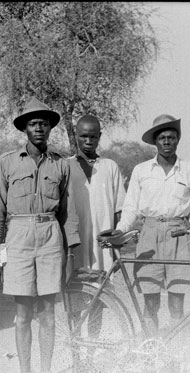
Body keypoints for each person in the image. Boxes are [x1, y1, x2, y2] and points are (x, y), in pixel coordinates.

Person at [0, 96, 80, 373]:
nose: (39, 127)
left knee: (49, 315)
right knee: (24, 315)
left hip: (51, 237)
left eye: (44, 122)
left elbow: (67, 213)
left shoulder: (61, 164)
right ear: (24, 128)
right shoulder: (7, 163)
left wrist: (70, 254)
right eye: (33, 122)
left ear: (51, 128)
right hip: (19, 237)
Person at [114, 114, 190, 373]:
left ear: (177, 139)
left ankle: (175, 367)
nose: (167, 141)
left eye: (171, 136)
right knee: (150, 304)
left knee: (177, 305)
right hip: (148, 234)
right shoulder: (141, 170)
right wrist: (120, 230)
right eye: (162, 137)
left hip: (179, 234)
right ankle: (149, 365)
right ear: (155, 141)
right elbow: (131, 207)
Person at [63, 114, 126, 326]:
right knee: (74, 297)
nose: (88, 141)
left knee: (99, 297)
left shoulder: (110, 167)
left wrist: (117, 245)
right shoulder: (65, 167)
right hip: (76, 245)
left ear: (99, 137)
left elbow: (119, 210)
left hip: (102, 246)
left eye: (93, 137)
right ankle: (76, 350)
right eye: (83, 136)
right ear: (76, 136)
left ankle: (92, 350)